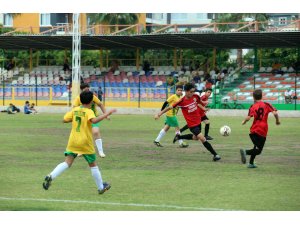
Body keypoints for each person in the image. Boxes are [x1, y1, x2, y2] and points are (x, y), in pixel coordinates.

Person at [42, 91, 116, 194]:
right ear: (91, 101)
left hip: (73, 141)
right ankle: (100, 187)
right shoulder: (89, 111)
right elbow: (94, 121)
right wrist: (107, 113)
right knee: (93, 164)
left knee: (67, 162)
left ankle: (51, 175)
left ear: (80, 100)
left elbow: (64, 119)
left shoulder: (75, 110)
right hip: (85, 142)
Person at [155, 83, 221, 162]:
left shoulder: (195, 96)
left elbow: (199, 102)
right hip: (192, 125)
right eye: (191, 91)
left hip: (198, 121)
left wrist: (204, 107)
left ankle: (179, 137)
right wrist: (159, 113)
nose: (192, 93)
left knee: (195, 138)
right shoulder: (182, 101)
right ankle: (215, 155)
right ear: (186, 91)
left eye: (193, 91)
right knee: (202, 138)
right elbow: (169, 107)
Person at [240, 89, 280, 168]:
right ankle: (245, 152)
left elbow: (248, 117)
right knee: (258, 151)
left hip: (253, 130)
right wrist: (277, 121)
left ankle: (251, 163)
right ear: (262, 95)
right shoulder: (266, 104)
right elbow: (275, 113)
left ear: (253, 97)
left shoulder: (252, 106)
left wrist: (244, 121)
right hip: (262, 130)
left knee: (256, 146)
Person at [73, 83, 108, 158]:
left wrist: (106, 114)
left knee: (96, 132)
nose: (87, 90)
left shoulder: (93, 97)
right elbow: (74, 108)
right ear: (82, 90)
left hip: (93, 117)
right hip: (83, 119)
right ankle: (81, 151)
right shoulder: (78, 98)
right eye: (86, 89)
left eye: (88, 89)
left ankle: (101, 151)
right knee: (83, 135)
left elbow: (100, 104)